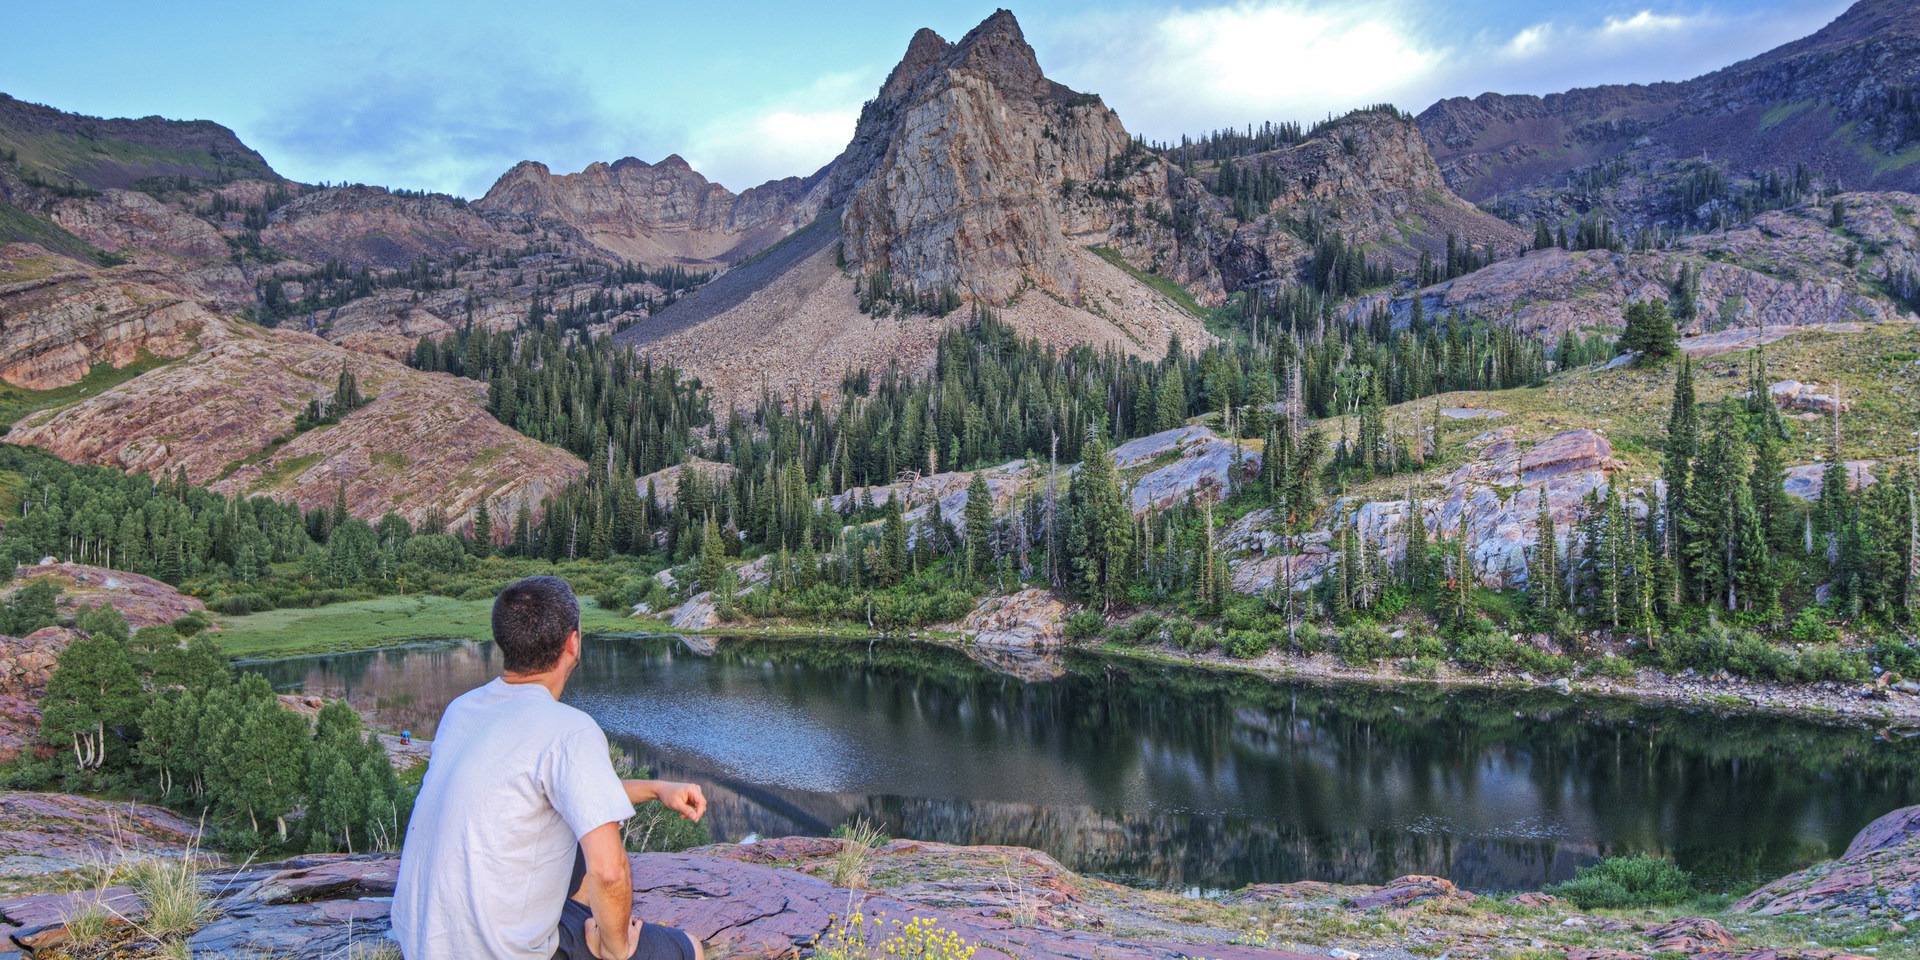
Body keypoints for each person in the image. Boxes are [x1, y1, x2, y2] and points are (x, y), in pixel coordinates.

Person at [392, 576, 708, 960]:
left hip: (424, 944)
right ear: (573, 643)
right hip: (501, 953)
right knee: (688, 948)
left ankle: (581, 921)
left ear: (503, 642)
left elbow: (571, 794)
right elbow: (610, 872)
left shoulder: (462, 709)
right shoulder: (570, 730)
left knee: (578, 840)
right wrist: (616, 946)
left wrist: (658, 788)